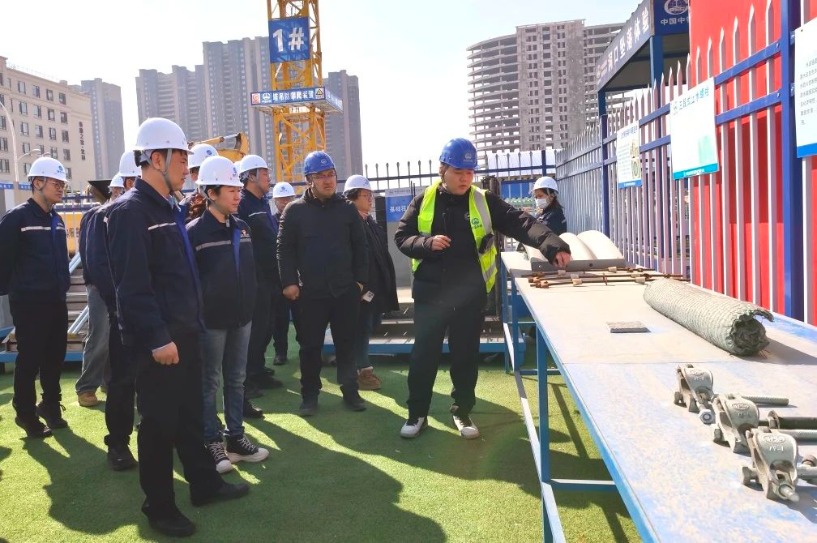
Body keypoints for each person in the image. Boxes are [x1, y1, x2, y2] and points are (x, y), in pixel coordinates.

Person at [106, 117, 248, 537]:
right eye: (182, 158)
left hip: (186, 333)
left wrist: (191, 326)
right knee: (158, 425)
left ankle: (204, 484)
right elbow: (132, 287)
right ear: (156, 159)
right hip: (160, 343)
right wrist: (158, 338)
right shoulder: (131, 212)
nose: (188, 167)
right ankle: (160, 507)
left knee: (188, 416)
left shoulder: (168, 207)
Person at [394, 138, 571, 440]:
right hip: (431, 295)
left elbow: (521, 222)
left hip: (468, 295)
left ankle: (462, 412)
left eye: (469, 172)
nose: (465, 178)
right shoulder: (423, 200)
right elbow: (402, 237)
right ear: (443, 170)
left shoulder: (483, 200)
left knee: (465, 357)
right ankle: (417, 414)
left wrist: (553, 244)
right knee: (423, 356)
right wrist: (426, 243)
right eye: (458, 172)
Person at [187, 155, 269, 474]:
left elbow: (249, 271)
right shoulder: (194, 232)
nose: (238, 196)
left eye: (238, 189)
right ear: (211, 193)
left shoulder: (242, 228)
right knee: (209, 382)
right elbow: (190, 282)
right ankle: (212, 441)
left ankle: (235, 438)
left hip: (241, 318)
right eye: (231, 190)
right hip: (210, 322)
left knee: (236, 379)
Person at [277, 151, 368, 417]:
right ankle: (309, 395)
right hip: (310, 293)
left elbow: (360, 247)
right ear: (309, 180)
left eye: (331, 175)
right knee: (310, 347)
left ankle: (350, 391)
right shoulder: (295, 211)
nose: (328, 181)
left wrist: (359, 282)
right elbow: (284, 249)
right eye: (320, 176)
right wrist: (289, 282)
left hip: (345, 290)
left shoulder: (347, 209)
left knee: (346, 344)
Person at [0, 157, 71, 438]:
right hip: (29, 303)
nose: (61, 188)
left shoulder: (57, 220)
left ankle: (50, 406)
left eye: (63, 184)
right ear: (37, 182)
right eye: (56, 183)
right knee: (29, 359)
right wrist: (16, 289)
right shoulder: (17, 218)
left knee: (55, 357)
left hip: (56, 300)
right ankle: (26, 414)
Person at [85, 170, 138, 471]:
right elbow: (98, 265)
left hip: (154, 313)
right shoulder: (103, 217)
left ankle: (159, 434)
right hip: (124, 314)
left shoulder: (158, 210)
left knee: (155, 381)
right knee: (122, 381)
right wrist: (119, 305)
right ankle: (118, 443)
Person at [342, 175, 399, 391]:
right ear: (352, 197)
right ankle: (362, 370)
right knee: (362, 327)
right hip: (361, 288)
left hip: (374, 288)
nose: (370, 199)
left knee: (370, 323)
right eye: (365, 195)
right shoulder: (349, 223)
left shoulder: (368, 221)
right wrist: (358, 286)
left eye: (370, 195)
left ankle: (359, 365)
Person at [237, 155, 283, 411]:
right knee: (254, 331)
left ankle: (258, 370)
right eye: (264, 174)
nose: (268, 178)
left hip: (270, 276)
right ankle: (246, 380)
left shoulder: (263, 203)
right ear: (251, 176)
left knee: (267, 327)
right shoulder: (242, 203)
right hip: (254, 278)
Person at [75, 180, 114, 408]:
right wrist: (97, 283)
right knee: (99, 335)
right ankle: (86, 386)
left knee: (114, 336)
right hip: (100, 286)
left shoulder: (125, 213)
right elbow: (89, 254)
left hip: (119, 285)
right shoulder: (94, 216)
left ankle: (109, 382)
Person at [270, 181, 298, 366]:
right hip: (278, 278)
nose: (285, 202)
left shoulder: (299, 220)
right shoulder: (270, 221)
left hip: (298, 276)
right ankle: (281, 352)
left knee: (303, 318)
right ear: (275, 201)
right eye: (281, 199)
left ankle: (308, 351)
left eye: (288, 198)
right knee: (279, 319)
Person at [181, 143, 218, 223]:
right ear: (193, 175)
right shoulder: (185, 207)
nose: (213, 174)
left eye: (215, 169)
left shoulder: (229, 200)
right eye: (206, 170)